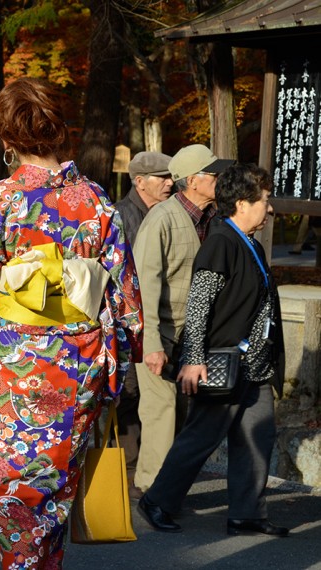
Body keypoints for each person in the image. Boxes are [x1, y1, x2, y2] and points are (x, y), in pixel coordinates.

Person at [0, 77, 142, 569]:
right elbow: (125, 298)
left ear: (7, 137)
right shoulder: (97, 202)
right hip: (80, 361)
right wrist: (118, 361)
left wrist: (14, 282)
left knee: (14, 488)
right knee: (54, 490)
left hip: (19, 364)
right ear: (59, 129)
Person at [138, 163, 288, 537]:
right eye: (264, 200)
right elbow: (199, 304)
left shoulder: (248, 242)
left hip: (254, 364)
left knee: (257, 437)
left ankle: (247, 513)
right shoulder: (222, 242)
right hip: (224, 361)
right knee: (200, 438)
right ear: (241, 203)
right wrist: (193, 359)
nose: (269, 209)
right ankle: (157, 500)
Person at [132, 144, 233, 493]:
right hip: (160, 334)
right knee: (161, 415)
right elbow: (144, 286)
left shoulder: (214, 218)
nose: (219, 179)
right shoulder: (161, 219)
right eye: (213, 174)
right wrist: (151, 344)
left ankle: (168, 489)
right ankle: (152, 491)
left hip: (196, 336)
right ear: (192, 180)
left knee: (183, 416)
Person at [113, 150, 173, 498]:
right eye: (162, 177)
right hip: (126, 321)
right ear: (140, 182)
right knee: (128, 395)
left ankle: (141, 474)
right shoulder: (122, 215)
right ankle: (129, 471)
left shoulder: (165, 212)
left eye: (170, 177)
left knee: (148, 397)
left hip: (153, 319)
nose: (169, 183)